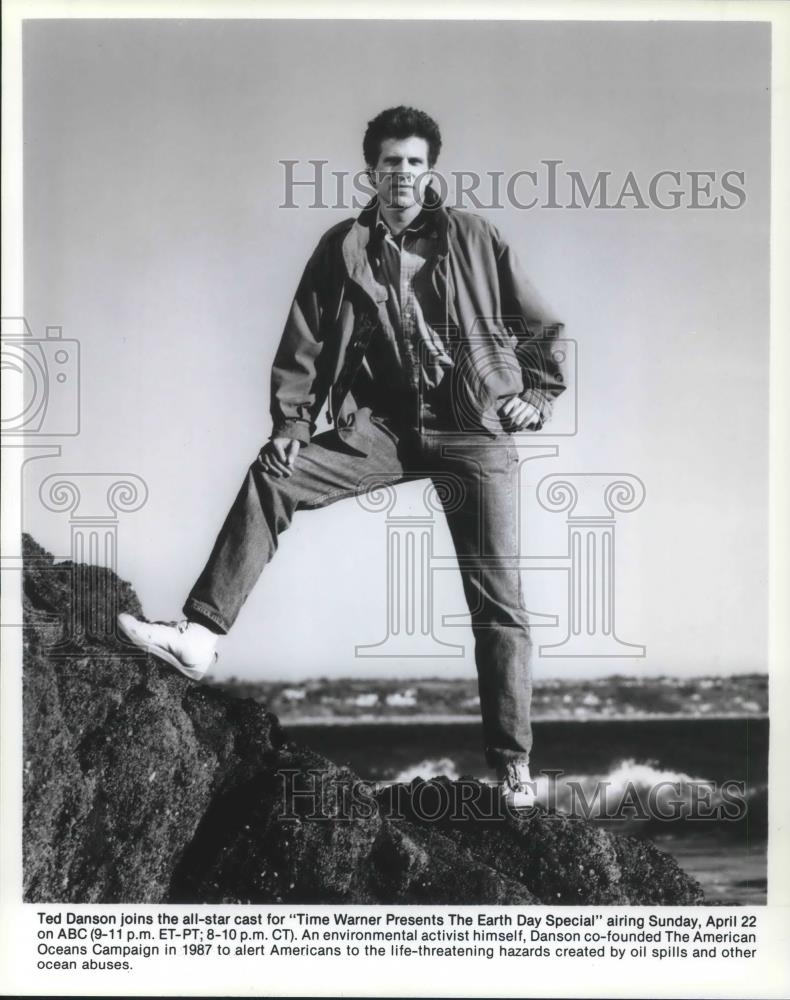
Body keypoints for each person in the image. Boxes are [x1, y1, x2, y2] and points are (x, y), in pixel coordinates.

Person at [119, 106, 566, 807]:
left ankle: (512, 767)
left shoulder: (475, 237)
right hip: (386, 424)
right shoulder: (342, 247)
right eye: (390, 162)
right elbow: (302, 340)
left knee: (499, 603)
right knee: (274, 475)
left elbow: (541, 326)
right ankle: (201, 633)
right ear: (371, 170)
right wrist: (290, 424)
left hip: (475, 426)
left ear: (431, 171)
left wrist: (536, 394)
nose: (402, 174)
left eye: (414, 162)